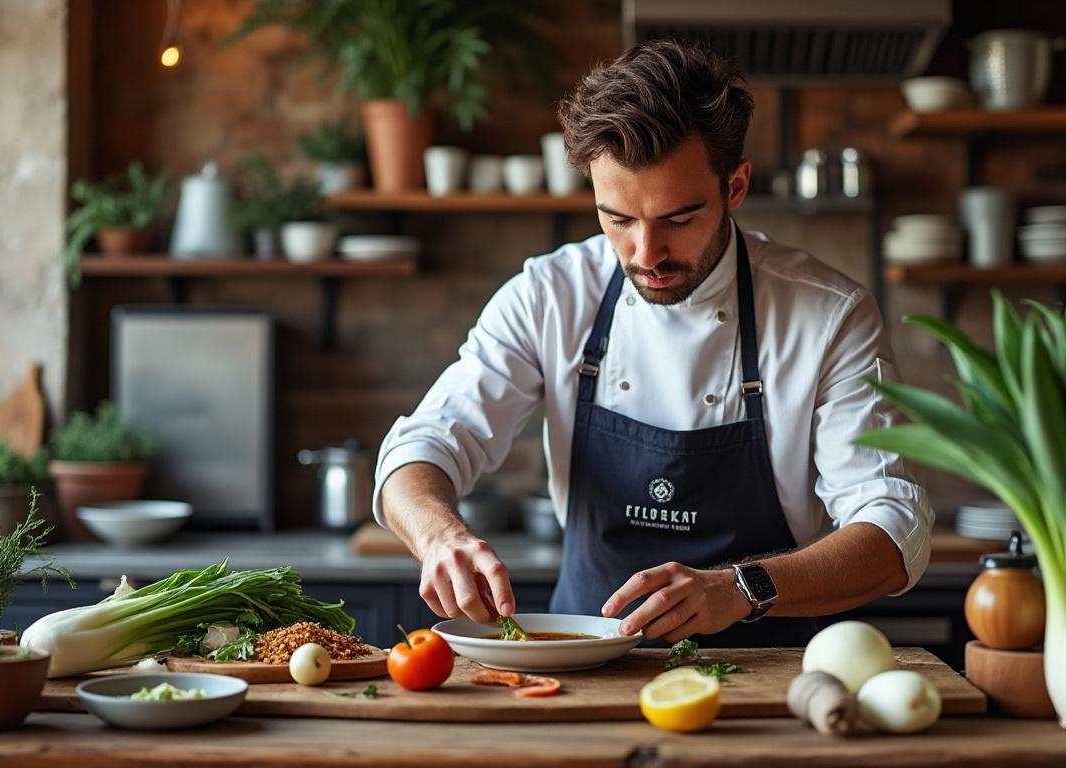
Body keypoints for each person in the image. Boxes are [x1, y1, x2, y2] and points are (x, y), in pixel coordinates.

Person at [373, 39, 933, 647]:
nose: (646, 255)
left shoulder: (828, 314)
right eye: (617, 218)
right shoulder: (549, 294)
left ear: (736, 186)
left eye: (678, 218)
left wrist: (742, 588)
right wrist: (439, 537)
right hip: (582, 664)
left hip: (769, 674)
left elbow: (894, 529)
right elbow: (423, 444)